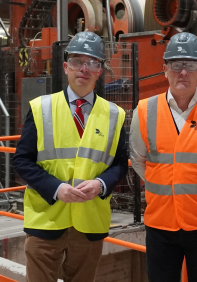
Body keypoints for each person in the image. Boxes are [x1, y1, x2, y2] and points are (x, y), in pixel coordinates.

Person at [13, 31, 129, 282]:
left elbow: (121, 164)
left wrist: (101, 184)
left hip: (89, 223)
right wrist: (56, 189)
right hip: (46, 220)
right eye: (77, 61)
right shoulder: (41, 108)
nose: (84, 69)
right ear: (66, 67)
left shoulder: (115, 115)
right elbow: (22, 161)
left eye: (92, 63)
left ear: (100, 71)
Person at [130, 32, 197, 282]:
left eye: (191, 64)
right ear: (165, 69)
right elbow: (138, 159)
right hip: (160, 223)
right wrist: (164, 183)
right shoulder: (144, 111)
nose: (183, 72)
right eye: (176, 64)